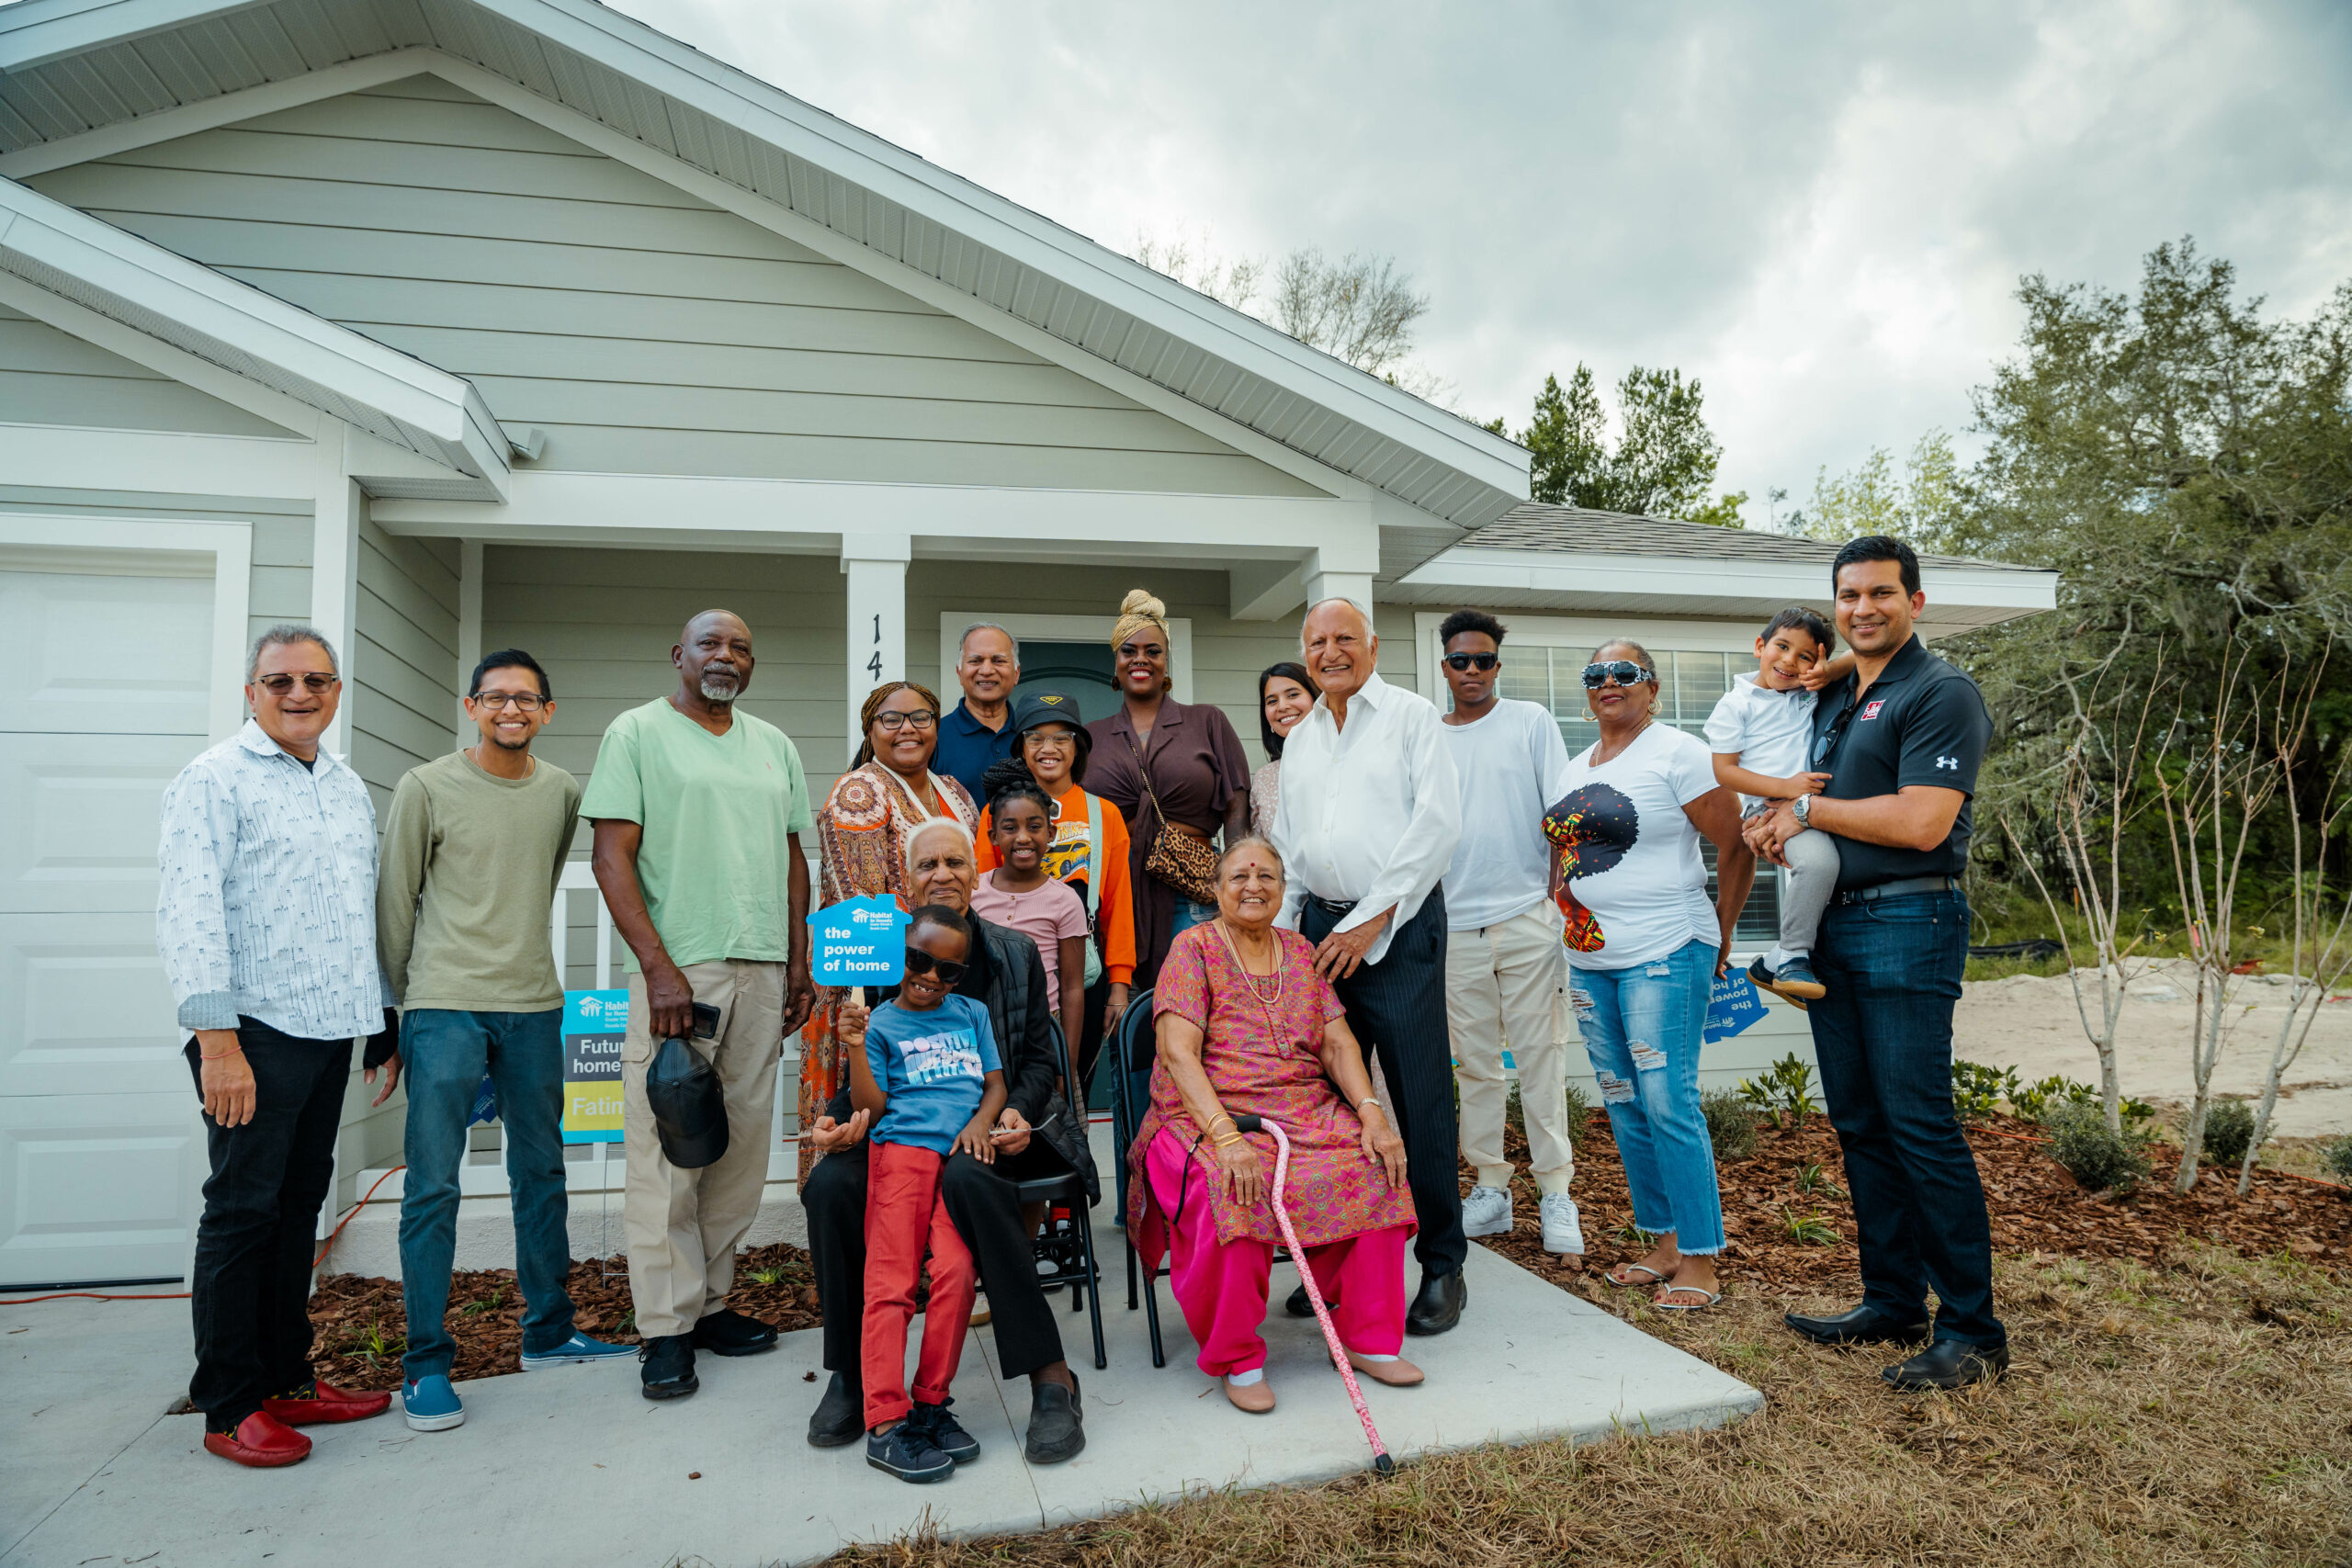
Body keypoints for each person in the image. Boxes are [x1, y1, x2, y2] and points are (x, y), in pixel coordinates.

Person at [1748, 536, 2007, 1391]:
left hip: (1909, 918)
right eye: (1849, 594)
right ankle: (1892, 1298)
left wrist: (1807, 805)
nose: (1864, 607)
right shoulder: (1833, 696)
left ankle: (1971, 1328)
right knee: (1860, 1123)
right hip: (1834, 928)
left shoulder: (1940, 691)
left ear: (1916, 601)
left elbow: (1923, 821)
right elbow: (1801, 794)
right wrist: (1773, 823)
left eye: (1881, 593)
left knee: (1920, 1124)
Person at [156, 624, 396, 1466]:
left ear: (336, 690)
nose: (300, 694)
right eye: (280, 679)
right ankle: (228, 1402)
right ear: (251, 690)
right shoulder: (213, 779)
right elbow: (190, 911)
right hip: (251, 1032)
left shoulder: (344, 783)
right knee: (241, 1213)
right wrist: (215, 1039)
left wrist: (381, 1019)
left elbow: (356, 911)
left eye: (317, 680)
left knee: (299, 1208)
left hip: (330, 1026)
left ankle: (287, 1377)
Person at [376, 649, 628, 1434]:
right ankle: (425, 1363)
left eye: (526, 698)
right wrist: (397, 1015)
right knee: (433, 1184)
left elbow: (541, 877)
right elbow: (395, 903)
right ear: (471, 706)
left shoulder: (560, 793)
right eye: (496, 697)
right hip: (444, 1005)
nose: (510, 709)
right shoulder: (425, 787)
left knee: (541, 1169)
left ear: (547, 712)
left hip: (531, 1004)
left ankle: (549, 1330)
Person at [800, 818, 1089, 1463]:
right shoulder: (888, 955)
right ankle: (854, 1374)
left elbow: (1042, 1063)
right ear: (909, 879)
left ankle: (1050, 1377)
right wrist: (839, 1115)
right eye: (927, 864)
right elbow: (875, 1053)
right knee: (829, 1184)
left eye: (955, 862)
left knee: (967, 1177)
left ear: (975, 868)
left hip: (1001, 1131)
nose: (943, 874)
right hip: (903, 1134)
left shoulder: (1013, 951)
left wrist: (1009, 1112)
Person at [582, 610, 816, 1401]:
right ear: (678, 653)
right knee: (668, 1149)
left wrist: (799, 960)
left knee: (742, 1147)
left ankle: (711, 1302)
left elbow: (792, 858)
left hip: (763, 966)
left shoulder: (773, 745)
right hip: (682, 971)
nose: (726, 655)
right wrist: (658, 970)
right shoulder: (636, 733)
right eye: (710, 643)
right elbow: (610, 856)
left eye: (741, 646)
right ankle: (665, 1327)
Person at [1128, 837, 1416, 1413]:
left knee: (1374, 1164)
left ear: (1284, 890)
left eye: (1267, 875)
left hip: (1302, 1108)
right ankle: (1238, 1355)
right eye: (1238, 876)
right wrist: (1226, 1137)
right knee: (1233, 1184)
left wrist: (1372, 1113)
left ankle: (1367, 1337)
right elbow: (1179, 1054)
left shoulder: (1301, 949)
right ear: (1215, 890)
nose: (1253, 885)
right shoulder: (1193, 948)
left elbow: (1337, 1043)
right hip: (1205, 1113)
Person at [1269, 598, 1468, 1335]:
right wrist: (1289, 945)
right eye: (1317, 642)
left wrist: (1370, 919)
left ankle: (1443, 1263)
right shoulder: (1302, 738)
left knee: (1419, 1102)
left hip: (1400, 925)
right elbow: (1291, 849)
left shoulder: (1413, 718)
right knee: (1330, 1106)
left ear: (1373, 646)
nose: (1331, 652)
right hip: (1320, 931)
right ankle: (1341, 1263)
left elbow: (1437, 827)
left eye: (1344, 638)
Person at [1545, 638, 1755, 1313]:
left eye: (1624, 672)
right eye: (1595, 673)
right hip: (1589, 958)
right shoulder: (1573, 766)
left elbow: (1736, 842)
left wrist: (1721, 932)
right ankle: (1663, 1245)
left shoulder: (1678, 752)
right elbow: (1565, 854)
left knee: (1668, 1098)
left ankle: (1701, 1257)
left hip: (1665, 947)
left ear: (1651, 687)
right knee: (1624, 1099)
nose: (1609, 682)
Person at [837, 906, 1007, 1483]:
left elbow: (995, 1084)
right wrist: (857, 1046)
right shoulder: (881, 1023)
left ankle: (931, 1404)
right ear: (900, 958)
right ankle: (885, 1422)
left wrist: (983, 1122)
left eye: (948, 970)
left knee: (957, 1273)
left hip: (959, 1160)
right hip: (903, 1155)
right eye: (919, 961)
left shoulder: (973, 1014)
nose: (932, 977)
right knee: (892, 1285)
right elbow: (872, 1106)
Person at [1432, 611, 1583, 1259]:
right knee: (1477, 1068)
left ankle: (1556, 1192)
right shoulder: (1427, 736)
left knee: (1541, 1056)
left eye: (1484, 660)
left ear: (1498, 665)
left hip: (1527, 917)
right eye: (1461, 660)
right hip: (1455, 926)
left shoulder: (1529, 721)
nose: (1472, 670)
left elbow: (1563, 815)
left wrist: (1554, 902)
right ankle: (1491, 1187)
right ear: (1444, 666)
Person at [800, 680, 980, 1183]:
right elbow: (869, 907)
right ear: (870, 730)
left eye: (921, 717)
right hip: (873, 984)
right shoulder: (859, 791)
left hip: (940, 978)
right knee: (866, 1135)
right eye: (891, 719)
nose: (908, 729)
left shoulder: (955, 793)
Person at [1082, 590, 1251, 990]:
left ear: (1165, 659)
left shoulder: (1206, 721)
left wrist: (1236, 880)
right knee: (1119, 1007)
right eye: (1129, 650)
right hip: (1114, 885)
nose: (1140, 659)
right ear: (1116, 661)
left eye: (1153, 650)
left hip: (1191, 886)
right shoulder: (1091, 736)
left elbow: (1237, 806)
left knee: (1193, 998)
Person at [973, 691, 1136, 1084]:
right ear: (1021, 748)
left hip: (1084, 974)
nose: (1049, 748)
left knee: (1069, 1077)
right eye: (1036, 738)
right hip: (1006, 971)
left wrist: (1119, 985)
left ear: (1077, 748)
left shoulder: (1104, 813)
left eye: (1062, 738)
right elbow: (979, 900)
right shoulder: (995, 814)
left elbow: (1118, 903)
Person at [1705, 608, 1844, 1007]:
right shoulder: (1736, 704)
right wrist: (1786, 787)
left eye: (1805, 656)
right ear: (1759, 647)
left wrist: (1827, 672)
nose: (1789, 661)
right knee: (1819, 865)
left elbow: (1872, 659)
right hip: (1767, 810)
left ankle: (1773, 965)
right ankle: (1791, 956)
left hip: (1811, 807)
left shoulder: (1808, 692)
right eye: (1782, 647)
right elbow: (1725, 771)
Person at [971, 767, 1089, 1035]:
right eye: (1010, 828)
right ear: (994, 837)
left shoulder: (1065, 900)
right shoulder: (973, 893)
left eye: (1034, 827)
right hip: (983, 1028)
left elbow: (1072, 988)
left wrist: (1068, 1068)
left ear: (1050, 834)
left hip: (1042, 1028)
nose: (1023, 837)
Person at [932, 623, 1022, 804]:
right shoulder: (933, 737)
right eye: (975, 661)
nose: (987, 670)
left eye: (998, 660)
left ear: (1016, 673)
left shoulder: (1032, 736)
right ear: (959, 672)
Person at [1250, 662, 1318, 833]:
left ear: (1317, 699)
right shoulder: (1264, 778)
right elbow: (1259, 847)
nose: (1282, 706)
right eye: (1272, 701)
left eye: (1293, 695)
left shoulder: (1345, 759)